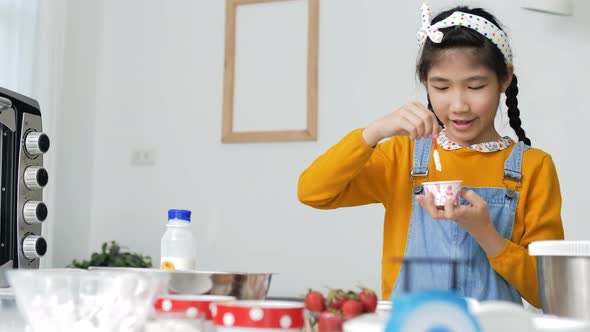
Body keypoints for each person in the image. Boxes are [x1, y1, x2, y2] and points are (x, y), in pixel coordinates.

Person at [297, 2, 564, 308]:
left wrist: (488, 236)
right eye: (442, 87)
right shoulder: (403, 155)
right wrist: (374, 132)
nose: (459, 104)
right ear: (426, 84)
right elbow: (312, 192)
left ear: (504, 79)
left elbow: (550, 292)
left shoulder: (533, 167)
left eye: (475, 86)